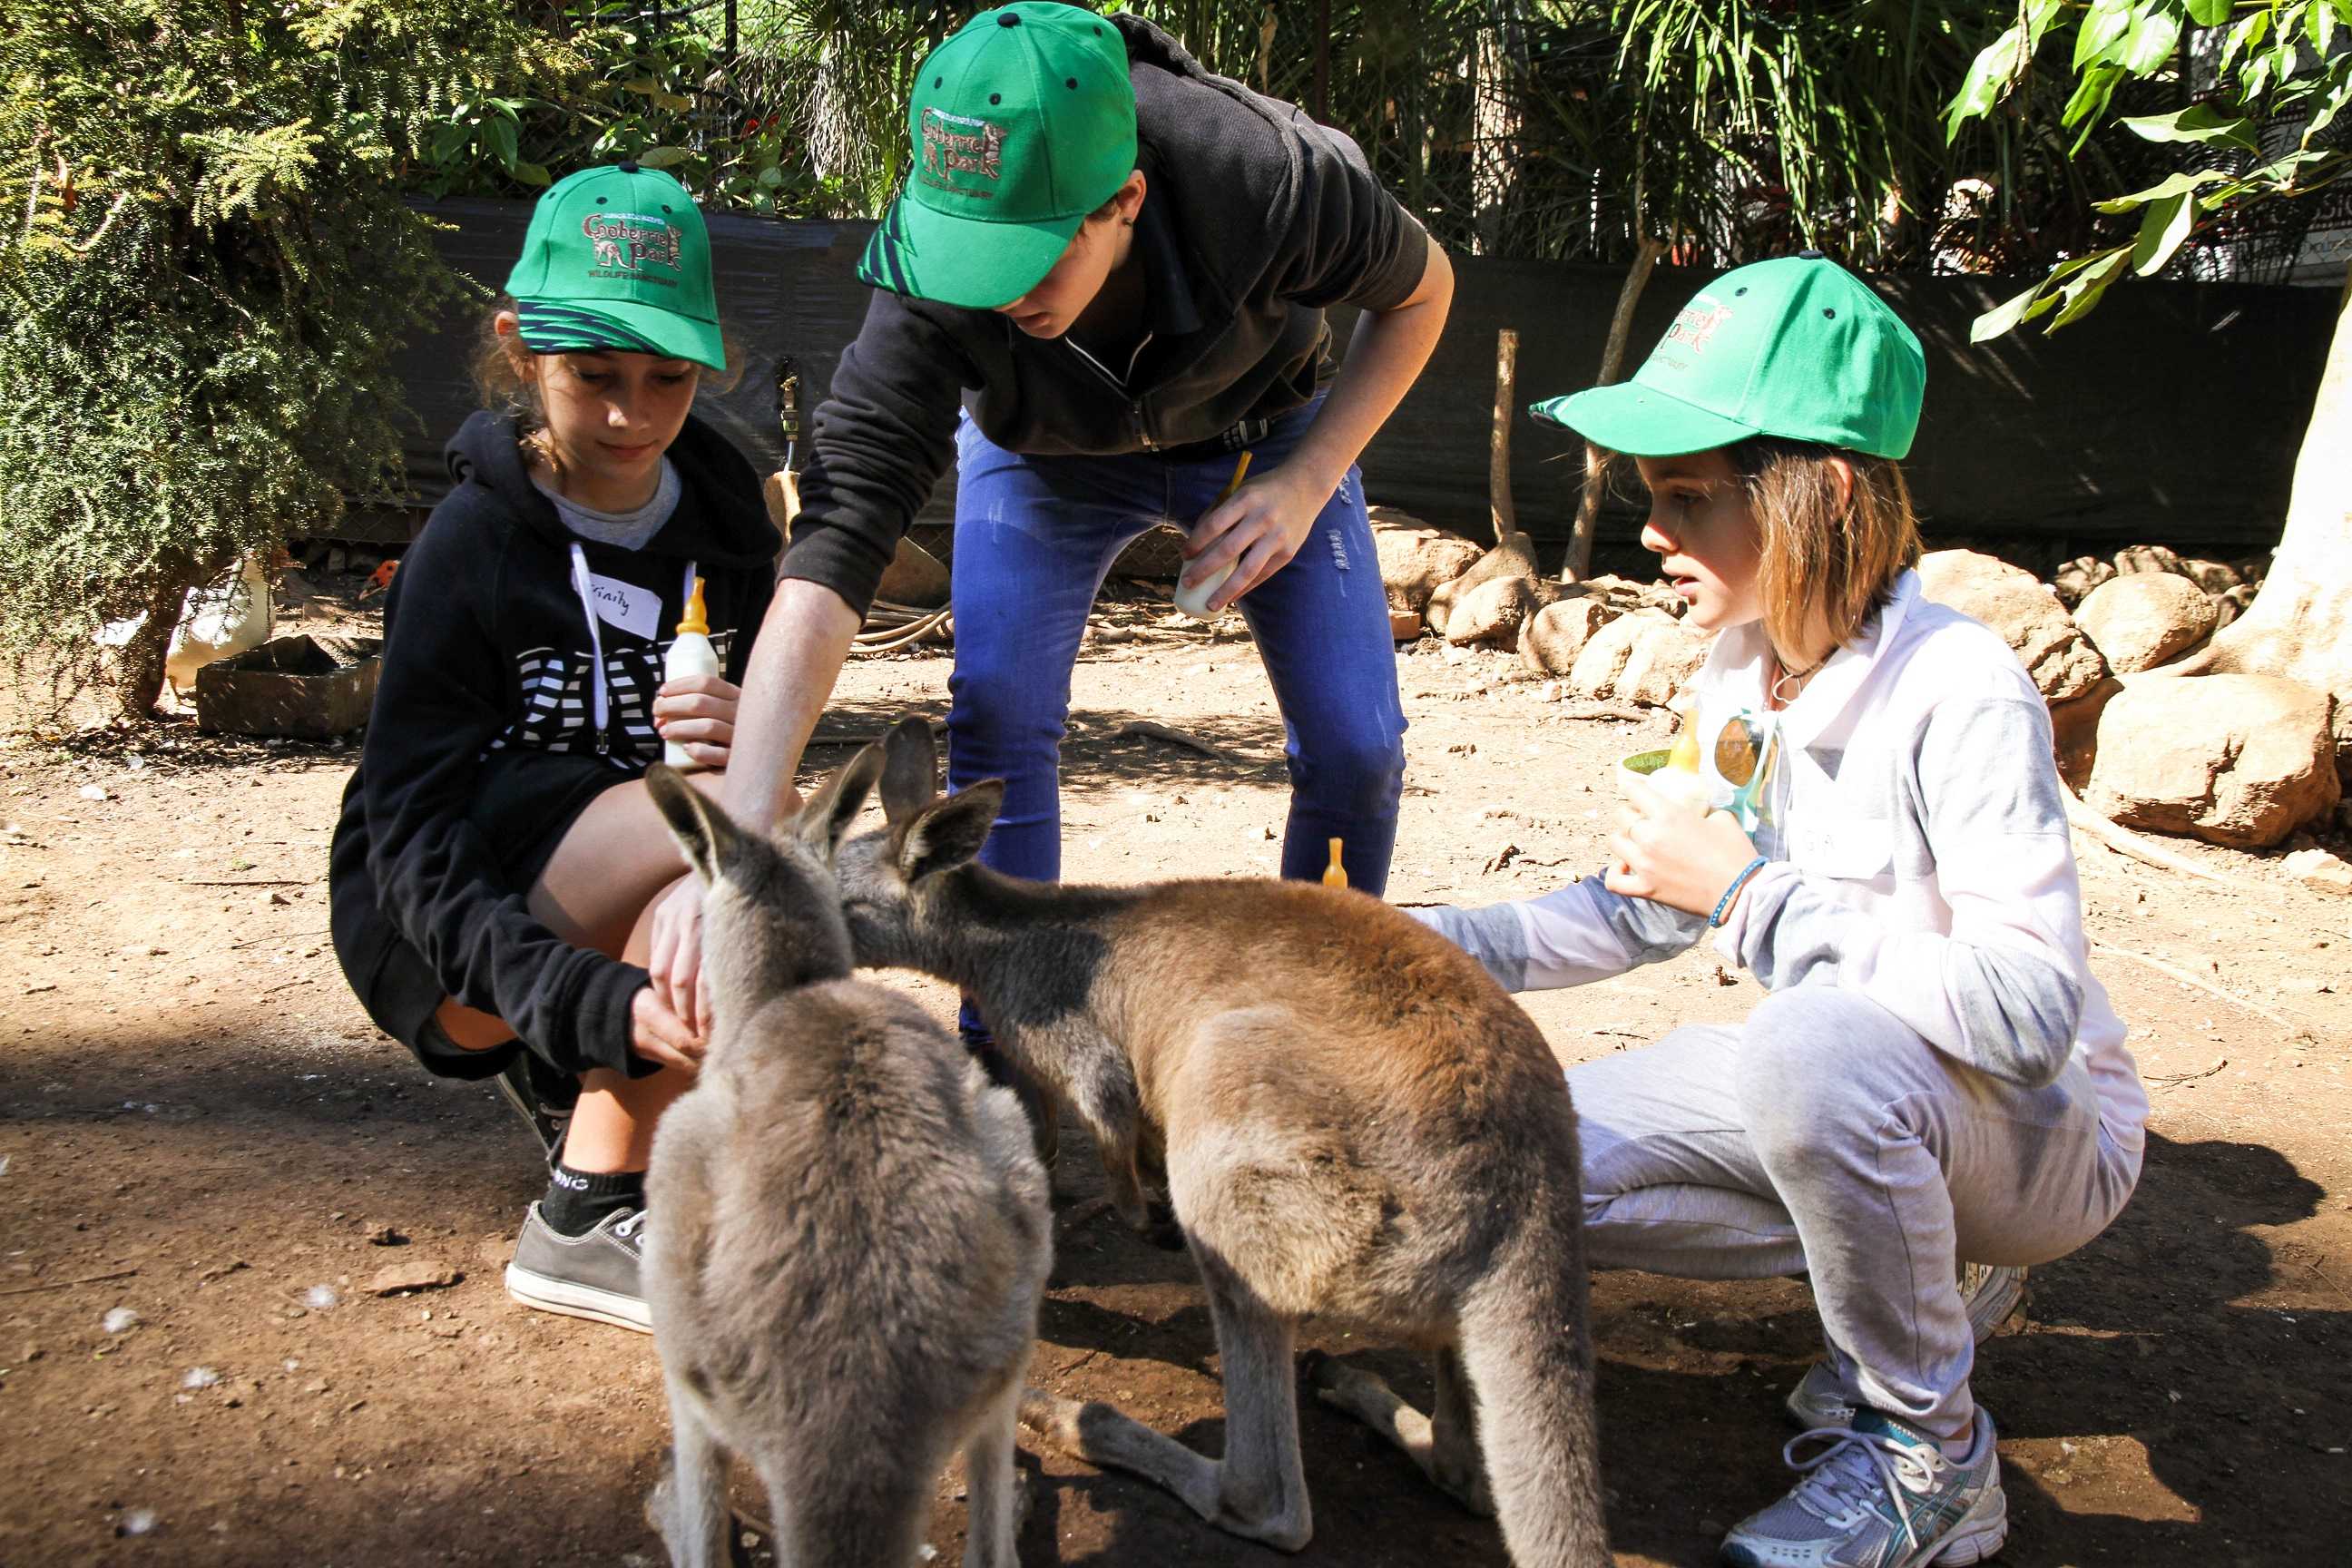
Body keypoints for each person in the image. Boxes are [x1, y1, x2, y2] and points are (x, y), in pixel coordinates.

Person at [1414, 255, 2146, 1566]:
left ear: (1826, 497)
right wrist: (1422, 941)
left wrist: (1749, 893)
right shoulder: (1742, 669)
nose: (1652, 533)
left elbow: (2030, 1016)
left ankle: (1931, 1455)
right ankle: (1929, 1276)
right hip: (1859, 1090)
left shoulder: (1959, 688)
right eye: (1653, 498)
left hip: (2043, 1134)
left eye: (1688, 499)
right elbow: (1644, 913)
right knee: (1505, 1166)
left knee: (1812, 1051)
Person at [645, 4, 1454, 1102]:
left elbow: (1423, 291)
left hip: (1270, 439)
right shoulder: (935, 277)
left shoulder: (1267, 177)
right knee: (998, 722)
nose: (988, 288)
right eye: (965, 255)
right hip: (1046, 456)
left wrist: (1306, 483)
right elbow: (836, 546)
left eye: (1022, 258)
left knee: (1358, 745)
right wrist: (740, 845)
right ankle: (1011, 1060)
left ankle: (1312, 1031)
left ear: (1123, 200)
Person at [328, 163, 779, 1332]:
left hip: (590, 886)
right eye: (594, 376)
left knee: (744, 823)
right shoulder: (472, 541)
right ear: (521, 345)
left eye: (668, 378)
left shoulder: (728, 524)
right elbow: (409, 836)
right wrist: (576, 996)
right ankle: (584, 1211)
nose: (631, 414)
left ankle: (593, 1108)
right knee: (713, 828)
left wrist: (744, 730)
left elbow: (751, 756)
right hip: (437, 925)